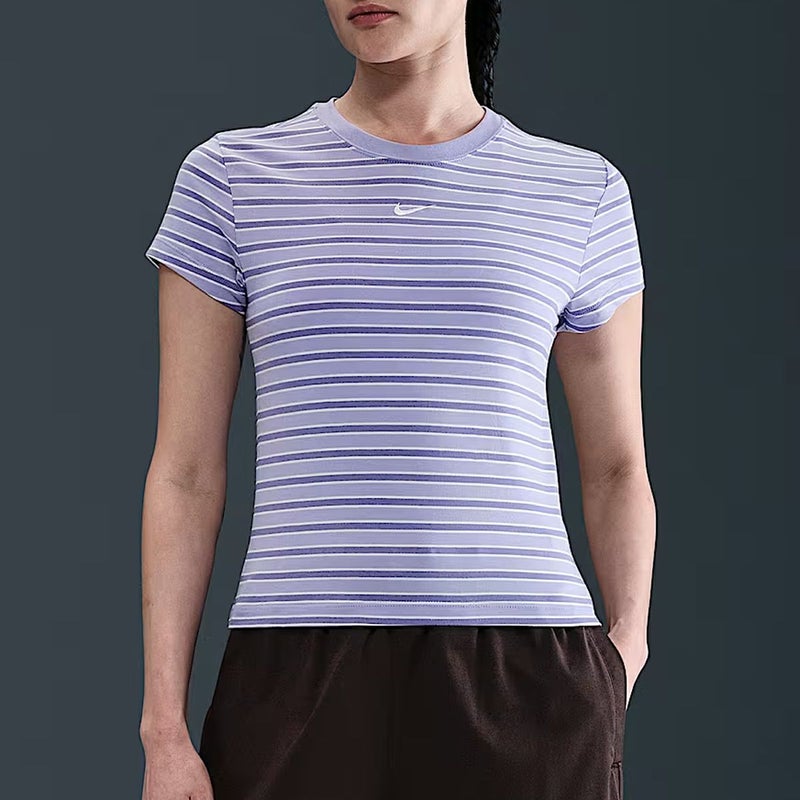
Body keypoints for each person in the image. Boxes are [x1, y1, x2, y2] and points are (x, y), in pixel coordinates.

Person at [139, 1, 656, 798]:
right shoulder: (231, 178)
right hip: (295, 670)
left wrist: (626, 647)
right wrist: (164, 731)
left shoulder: (579, 190)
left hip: (527, 675)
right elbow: (185, 473)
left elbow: (618, 465)